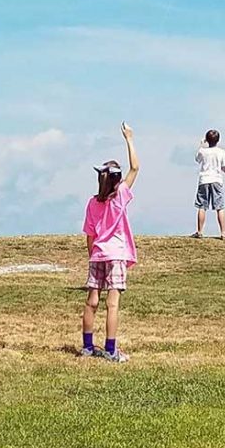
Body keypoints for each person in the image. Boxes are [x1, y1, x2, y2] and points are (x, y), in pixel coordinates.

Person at [81, 123, 141, 362]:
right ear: (117, 180)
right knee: (112, 304)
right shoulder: (119, 198)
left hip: (97, 254)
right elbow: (135, 167)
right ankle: (111, 349)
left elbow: (89, 234)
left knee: (91, 301)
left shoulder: (93, 203)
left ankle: (87, 347)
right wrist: (129, 139)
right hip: (115, 254)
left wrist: (92, 255)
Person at [191, 129, 225, 239]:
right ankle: (223, 232)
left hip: (204, 180)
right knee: (220, 207)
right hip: (216, 180)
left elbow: (197, 159)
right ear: (218, 140)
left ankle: (199, 232)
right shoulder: (221, 152)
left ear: (207, 139)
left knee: (202, 206)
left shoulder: (203, 151)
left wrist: (201, 146)